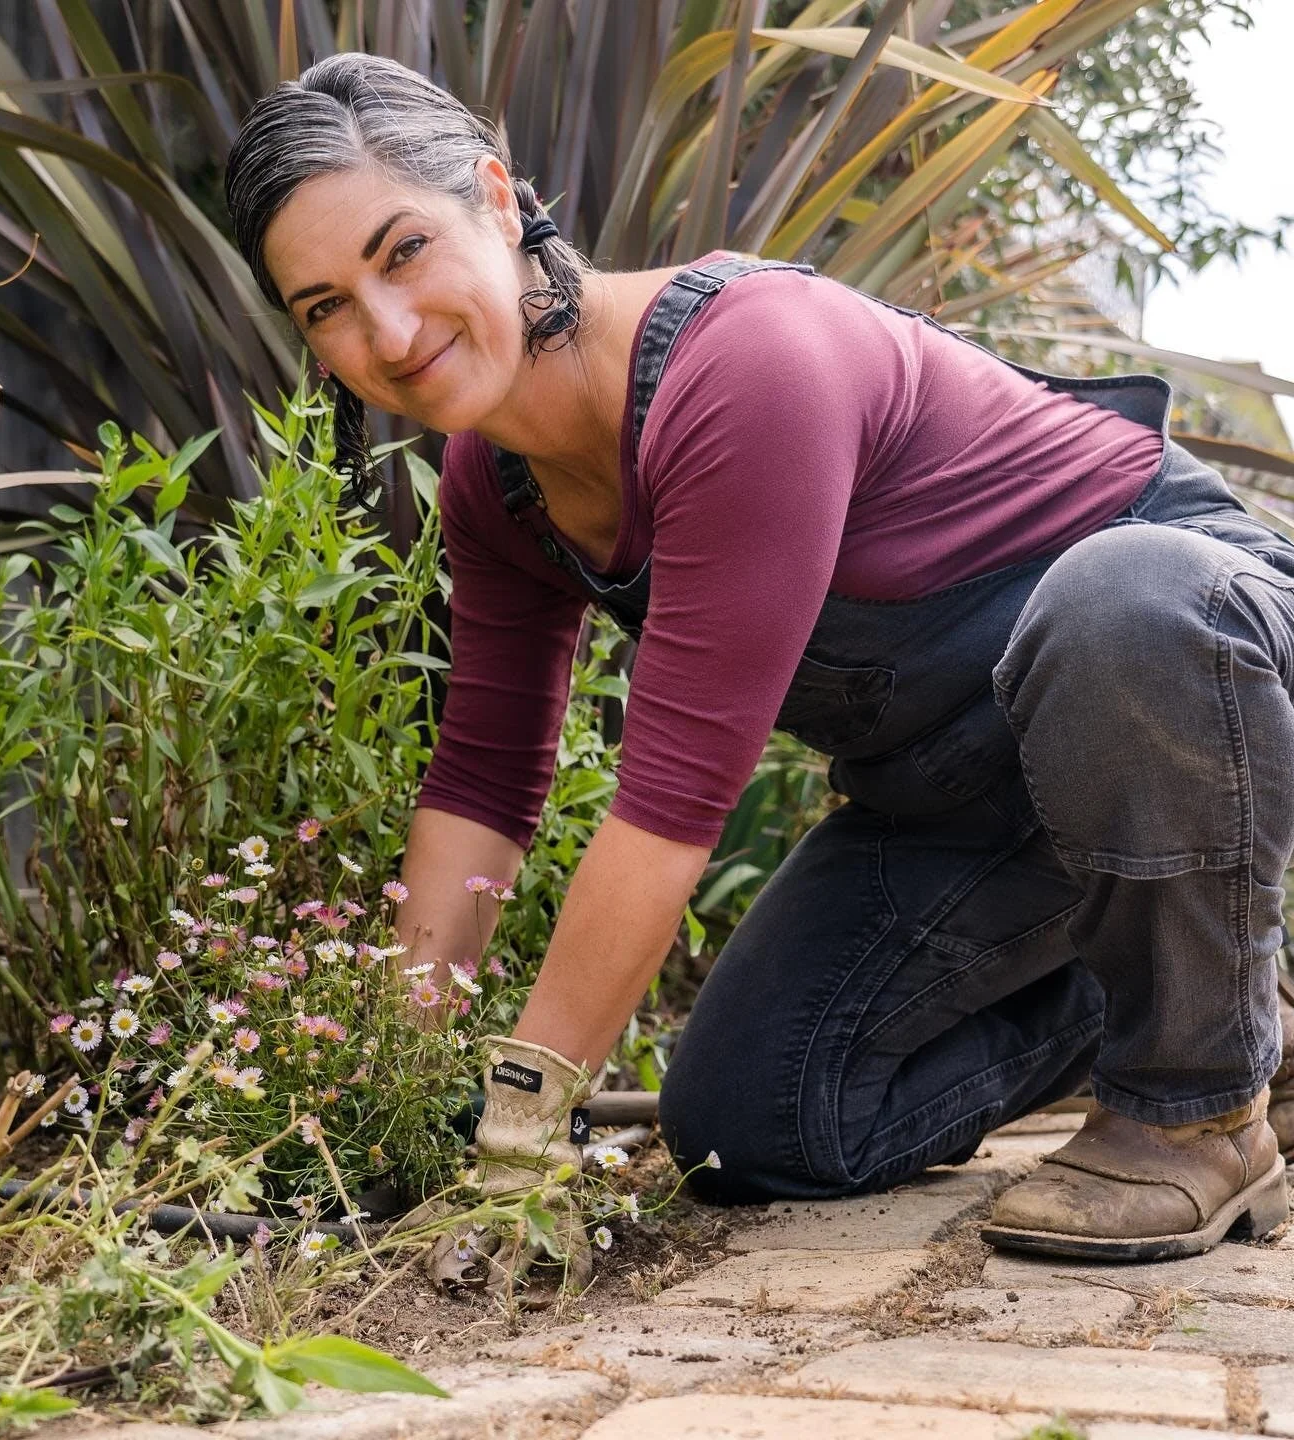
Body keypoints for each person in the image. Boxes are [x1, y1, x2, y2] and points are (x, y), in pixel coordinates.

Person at [225, 52, 1294, 1288]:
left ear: (498, 201)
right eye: (326, 306)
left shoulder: (748, 366)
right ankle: (1228, 1010)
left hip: (1198, 678)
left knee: (1123, 600)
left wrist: (521, 1129)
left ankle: (1193, 1108)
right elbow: (482, 785)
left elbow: (676, 792)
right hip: (963, 802)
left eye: (402, 251)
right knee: (753, 1121)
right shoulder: (496, 489)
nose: (388, 332)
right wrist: (392, 1096)